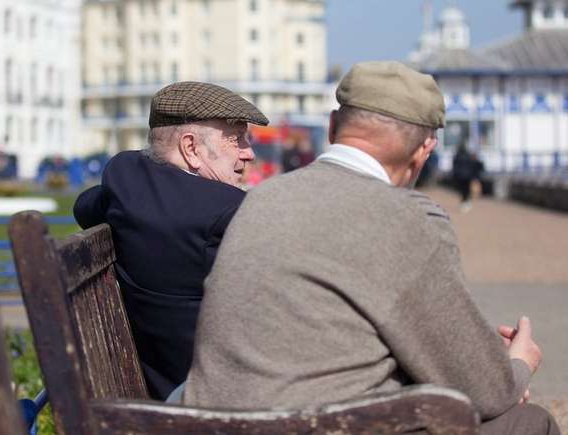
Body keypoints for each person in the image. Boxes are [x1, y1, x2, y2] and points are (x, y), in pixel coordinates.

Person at [182, 62, 558, 434]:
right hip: (318, 426)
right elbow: (485, 393)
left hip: (213, 425)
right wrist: (518, 364)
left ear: (333, 127)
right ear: (425, 149)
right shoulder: (409, 220)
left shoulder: (261, 199)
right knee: (530, 422)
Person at [73, 81, 268, 400]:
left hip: (164, 391)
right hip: (216, 403)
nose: (249, 153)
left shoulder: (123, 177)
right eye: (236, 139)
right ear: (191, 148)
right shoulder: (227, 215)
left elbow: (85, 205)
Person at [452, 144, 484, 212]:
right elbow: (475, 165)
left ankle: (464, 202)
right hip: (467, 176)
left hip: (459, 176)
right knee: (466, 190)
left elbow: (455, 167)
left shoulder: (457, 156)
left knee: (462, 190)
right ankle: (466, 202)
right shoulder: (469, 156)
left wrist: (454, 175)